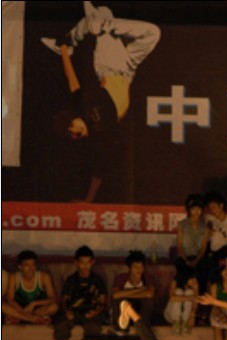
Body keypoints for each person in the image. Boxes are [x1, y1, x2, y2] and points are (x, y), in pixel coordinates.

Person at [42, 2, 160, 203]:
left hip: (109, 66)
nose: (75, 134)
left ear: (74, 119)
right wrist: (88, 201)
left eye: (71, 129)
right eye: (72, 136)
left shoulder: (81, 105)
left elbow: (72, 80)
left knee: (103, 14)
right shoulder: (98, 138)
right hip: (128, 70)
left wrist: (63, 52)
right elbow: (99, 172)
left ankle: (74, 39)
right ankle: (84, 33)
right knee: (151, 32)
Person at [54, 245, 107, 340]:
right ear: (76, 263)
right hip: (73, 312)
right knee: (62, 325)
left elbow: (102, 301)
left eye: (88, 263)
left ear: (92, 262)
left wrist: (95, 312)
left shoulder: (97, 280)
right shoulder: (71, 280)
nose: (85, 266)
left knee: (93, 327)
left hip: (91, 313)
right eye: (82, 263)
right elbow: (64, 299)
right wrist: (67, 312)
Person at [3, 250, 59, 325]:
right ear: (20, 266)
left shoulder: (44, 277)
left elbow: (53, 298)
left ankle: (20, 317)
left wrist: (34, 303)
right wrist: (23, 312)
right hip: (19, 309)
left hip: (37, 310)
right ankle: (31, 319)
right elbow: (10, 300)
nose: (31, 268)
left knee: (54, 307)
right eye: (27, 265)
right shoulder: (14, 277)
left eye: (33, 265)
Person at [111, 250, 155, 332]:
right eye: (135, 267)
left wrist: (124, 293)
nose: (139, 270)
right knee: (119, 301)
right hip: (125, 309)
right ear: (129, 268)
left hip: (140, 309)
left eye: (141, 267)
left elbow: (150, 294)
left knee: (148, 301)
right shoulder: (121, 278)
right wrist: (140, 289)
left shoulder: (148, 278)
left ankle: (144, 330)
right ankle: (120, 329)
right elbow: (115, 295)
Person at [174, 194, 209, 295]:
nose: (196, 212)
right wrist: (186, 260)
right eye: (193, 209)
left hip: (198, 258)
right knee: (182, 267)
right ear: (189, 210)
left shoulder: (205, 227)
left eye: (199, 209)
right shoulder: (181, 225)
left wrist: (196, 260)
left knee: (203, 268)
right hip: (184, 257)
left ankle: (200, 296)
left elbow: (203, 247)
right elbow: (179, 245)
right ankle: (181, 295)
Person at [163, 268, 199, 335]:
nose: (194, 280)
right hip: (171, 316)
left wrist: (192, 315)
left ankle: (184, 323)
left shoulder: (194, 285)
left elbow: (196, 301)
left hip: (186, 318)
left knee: (189, 292)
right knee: (178, 291)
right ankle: (176, 323)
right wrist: (190, 298)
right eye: (192, 278)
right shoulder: (175, 282)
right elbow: (172, 298)